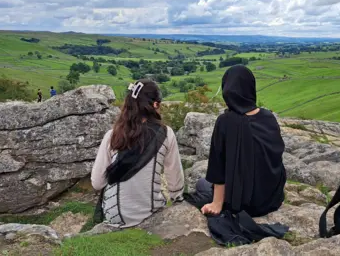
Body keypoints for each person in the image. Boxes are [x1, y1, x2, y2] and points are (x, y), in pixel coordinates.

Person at [91, 79, 184, 228]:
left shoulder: (112, 136)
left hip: (115, 216)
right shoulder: (166, 134)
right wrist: (177, 199)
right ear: (155, 105)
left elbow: (97, 183)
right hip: (150, 214)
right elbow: (175, 182)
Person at [201, 65, 286, 217]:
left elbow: (217, 166)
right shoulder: (268, 117)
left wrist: (216, 203)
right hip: (271, 200)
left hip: (241, 204)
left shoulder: (225, 121)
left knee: (201, 184)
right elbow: (276, 157)